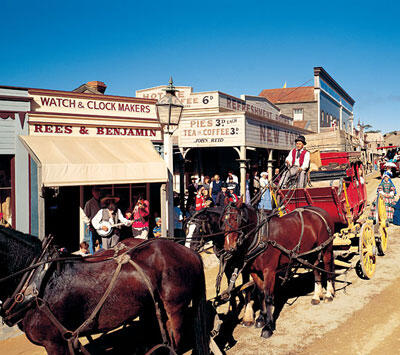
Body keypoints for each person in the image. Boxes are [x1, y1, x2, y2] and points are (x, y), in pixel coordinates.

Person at [83, 187, 102, 254]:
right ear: (93, 193)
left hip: (101, 226)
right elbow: (85, 215)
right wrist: (89, 225)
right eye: (95, 192)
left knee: (101, 242)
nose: (97, 193)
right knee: (92, 243)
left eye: (98, 192)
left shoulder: (101, 202)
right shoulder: (89, 203)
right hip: (93, 226)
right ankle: (92, 256)